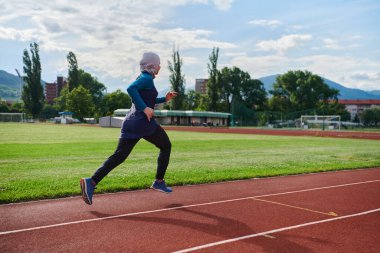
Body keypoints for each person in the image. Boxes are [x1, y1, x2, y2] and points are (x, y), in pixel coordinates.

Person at [80, 52, 177, 205]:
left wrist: (165, 99)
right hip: (143, 123)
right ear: (152, 65)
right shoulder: (146, 78)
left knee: (119, 156)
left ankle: (91, 182)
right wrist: (145, 108)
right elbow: (131, 89)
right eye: (159, 64)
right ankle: (159, 181)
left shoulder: (143, 78)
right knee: (166, 146)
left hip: (130, 123)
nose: (160, 67)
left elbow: (147, 99)